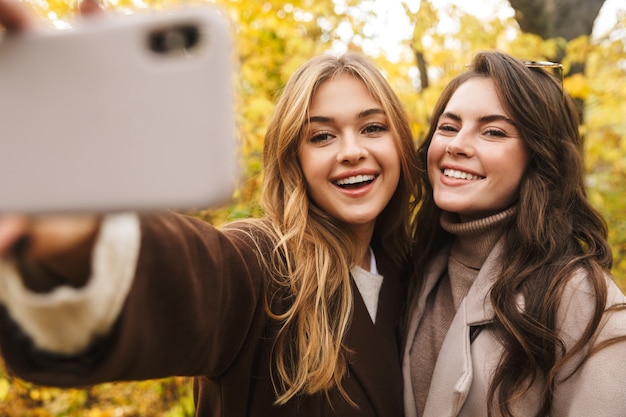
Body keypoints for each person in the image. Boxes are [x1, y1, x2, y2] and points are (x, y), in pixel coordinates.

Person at [0, 1, 420, 415]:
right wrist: (82, 242)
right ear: (295, 160)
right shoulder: (265, 264)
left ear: (400, 142)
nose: (351, 151)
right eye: (322, 136)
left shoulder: (412, 273)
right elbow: (191, 279)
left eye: (372, 128)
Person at [402, 50, 626, 417]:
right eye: (448, 126)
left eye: (493, 131)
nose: (457, 144)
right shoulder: (417, 268)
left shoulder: (579, 299)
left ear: (538, 156)